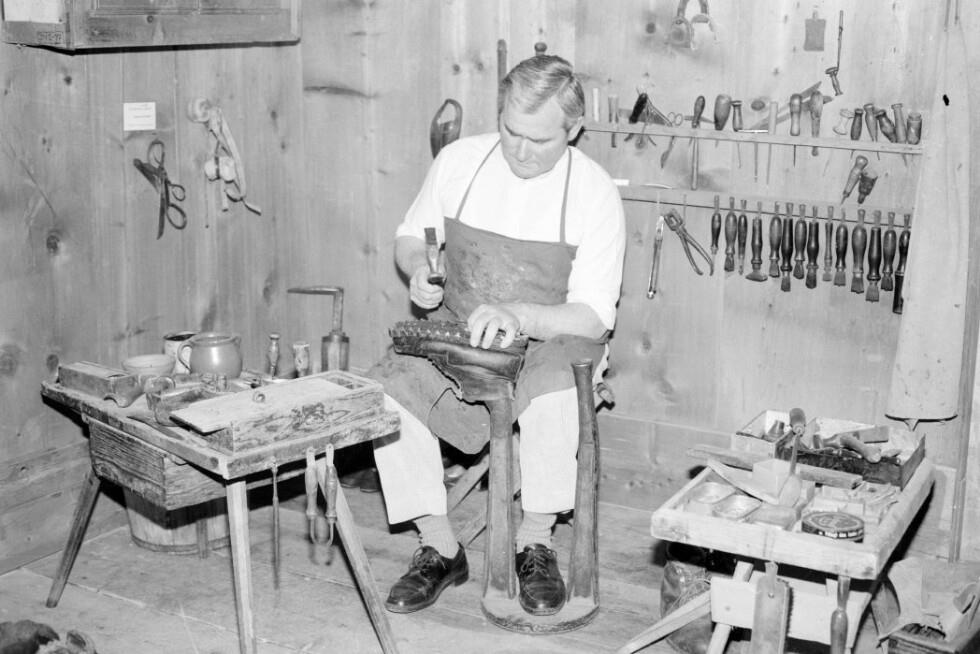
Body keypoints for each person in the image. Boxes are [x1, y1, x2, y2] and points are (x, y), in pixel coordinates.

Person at [367, 53, 626, 617]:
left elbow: (593, 317)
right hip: (462, 326)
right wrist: (418, 270)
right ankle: (438, 545)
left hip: (550, 338)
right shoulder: (460, 161)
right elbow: (410, 237)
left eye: (539, 140)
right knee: (387, 389)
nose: (520, 150)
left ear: (573, 130)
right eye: (511, 131)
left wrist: (520, 313)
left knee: (557, 387)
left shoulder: (594, 192)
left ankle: (535, 542)